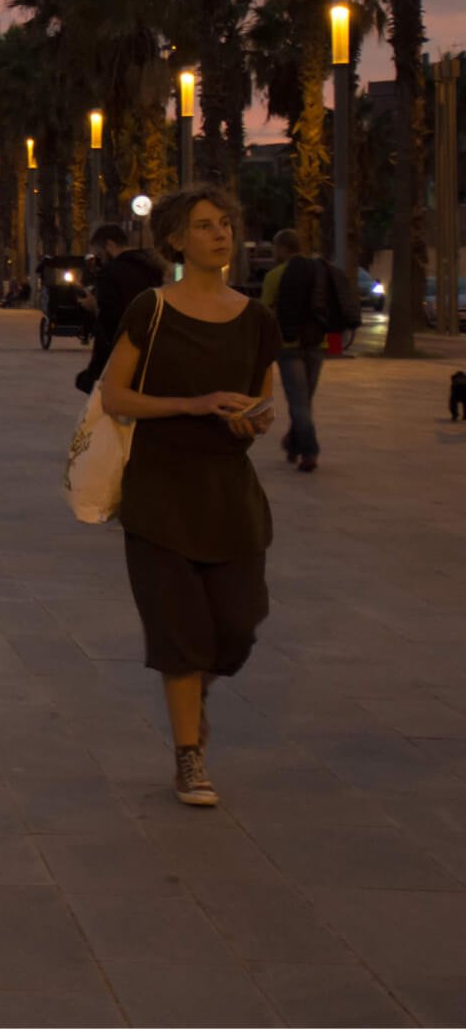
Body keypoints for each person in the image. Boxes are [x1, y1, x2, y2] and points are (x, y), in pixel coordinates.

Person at [98, 185, 280, 808]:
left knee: (237, 628)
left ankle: (193, 695)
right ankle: (189, 757)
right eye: (204, 226)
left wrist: (252, 419)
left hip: (230, 498)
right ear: (175, 239)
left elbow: (266, 402)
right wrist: (192, 405)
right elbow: (115, 396)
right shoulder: (151, 310)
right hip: (159, 495)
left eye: (225, 223)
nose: (220, 234)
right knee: (179, 634)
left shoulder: (257, 320)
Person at [261, 228, 356, 473]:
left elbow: (265, 311)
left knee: (298, 401)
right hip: (317, 345)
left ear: (283, 249)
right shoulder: (320, 272)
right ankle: (293, 443)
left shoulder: (275, 275)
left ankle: (309, 451)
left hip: (288, 347)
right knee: (304, 400)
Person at [77, 224, 167, 394]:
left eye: (99, 255)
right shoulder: (152, 268)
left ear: (109, 246)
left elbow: (109, 325)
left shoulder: (111, 273)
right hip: (150, 355)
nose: (99, 261)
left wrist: (93, 306)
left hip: (121, 359)